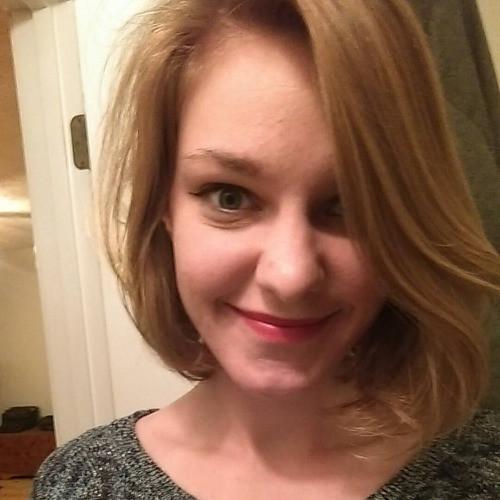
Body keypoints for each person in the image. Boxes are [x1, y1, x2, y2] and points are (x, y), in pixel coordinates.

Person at [32, 0, 500, 498]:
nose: (291, 275)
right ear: (163, 205)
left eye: (348, 205)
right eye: (229, 197)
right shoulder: (79, 484)